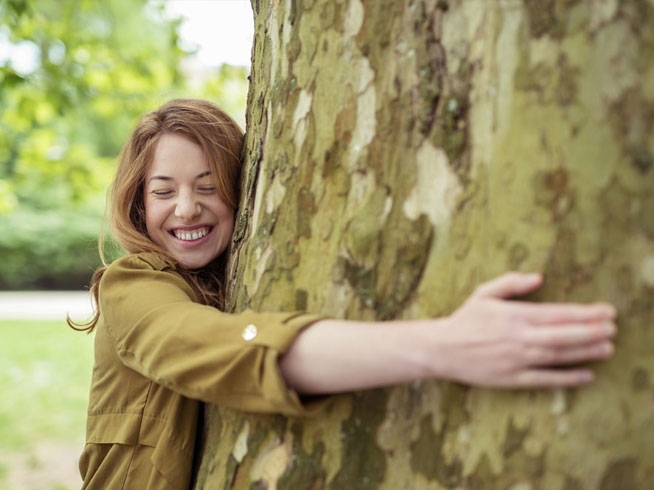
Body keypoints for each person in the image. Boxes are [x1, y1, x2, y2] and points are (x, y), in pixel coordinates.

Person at [71, 98, 617, 489]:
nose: (187, 208)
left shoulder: (234, 281)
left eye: (210, 187)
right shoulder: (131, 287)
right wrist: (448, 345)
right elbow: (204, 343)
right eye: (164, 191)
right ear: (139, 204)